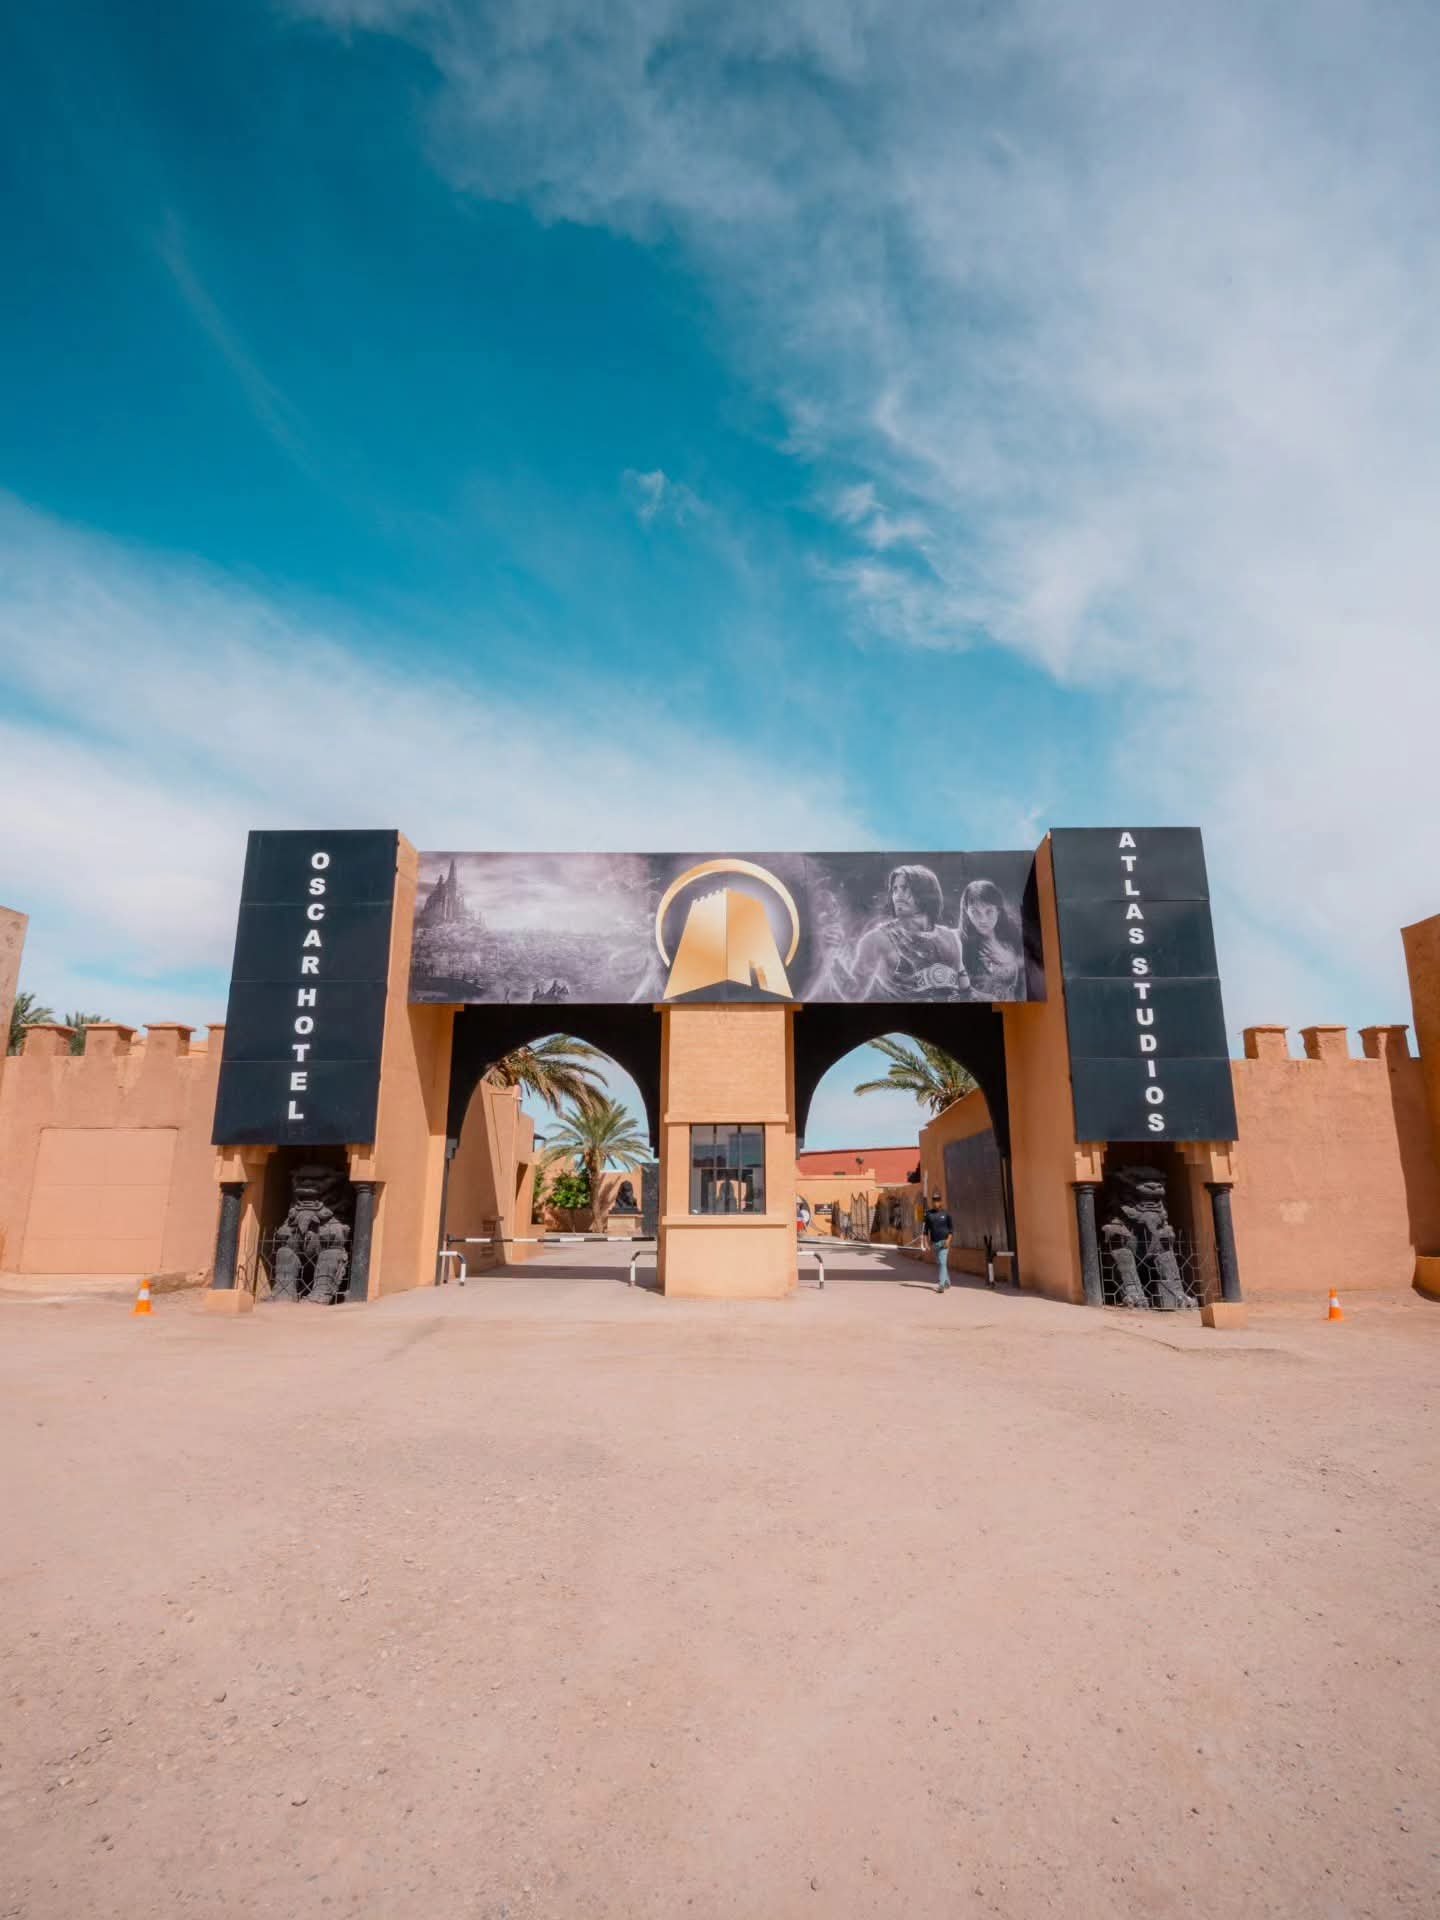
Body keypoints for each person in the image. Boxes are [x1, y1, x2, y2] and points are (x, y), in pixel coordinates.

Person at [957, 878, 1026, 1000]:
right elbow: (953, 987)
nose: (983, 919)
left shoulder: (1013, 936)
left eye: (989, 911)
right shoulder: (958, 942)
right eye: (975, 912)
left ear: (998, 910)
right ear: (966, 912)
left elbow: (1025, 979)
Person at [923, 1191, 954, 1293]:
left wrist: (948, 1241)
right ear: (932, 1202)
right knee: (941, 1264)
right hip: (934, 1243)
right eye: (934, 1201)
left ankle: (941, 1285)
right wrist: (926, 1243)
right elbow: (925, 1231)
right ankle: (947, 1282)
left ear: (941, 1201)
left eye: (938, 1200)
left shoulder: (946, 1214)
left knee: (942, 1263)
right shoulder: (929, 1215)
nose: (936, 1203)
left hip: (944, 1242)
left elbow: (951, 1230)